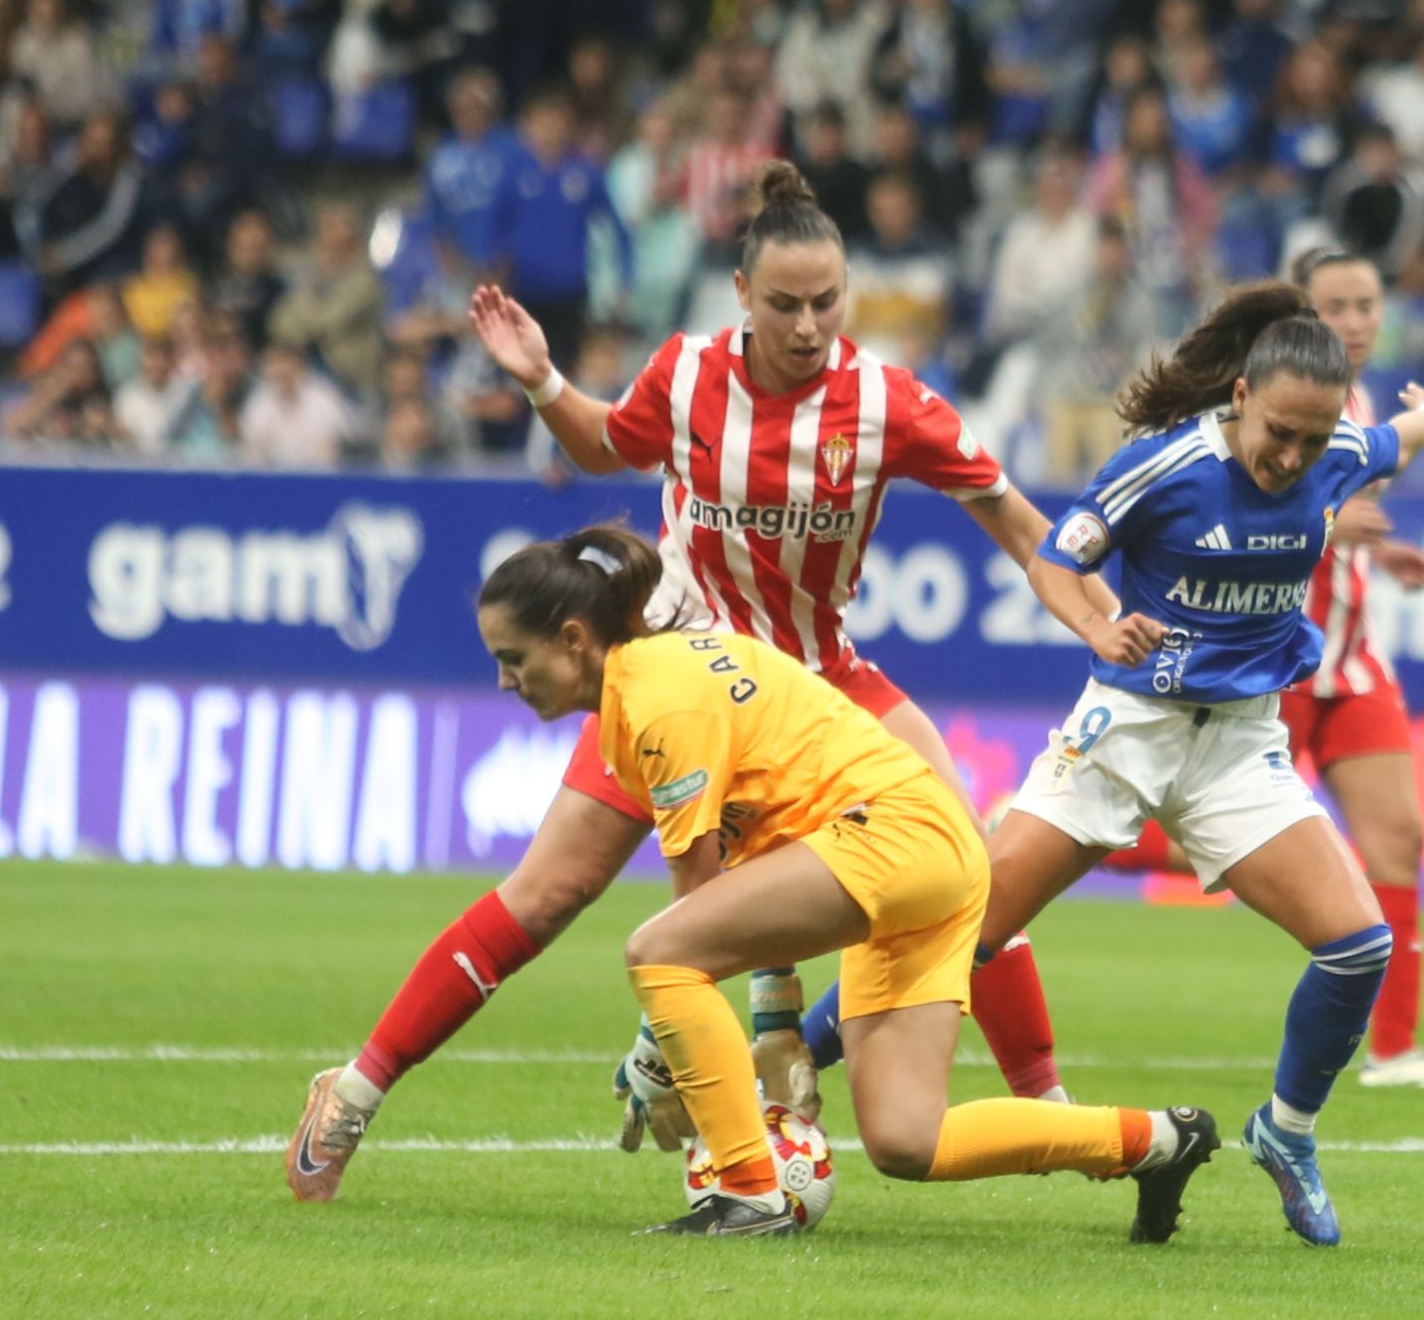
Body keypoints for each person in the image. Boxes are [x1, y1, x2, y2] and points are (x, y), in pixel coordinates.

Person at [285, 162, 1091, 1201]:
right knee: (546, 895)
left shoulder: (887, 402)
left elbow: (1016, 518)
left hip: (816, 681)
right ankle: (353, 1091)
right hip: (681, 675)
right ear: (742, 295)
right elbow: (603, 444)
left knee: (967, 861)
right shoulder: (689, 374)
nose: (809, 326)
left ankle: (1045, 1102)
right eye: (787, 304)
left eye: (828, 303)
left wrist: (1090, 612)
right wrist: (541, 380)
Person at [470, 525, 1219, 1238]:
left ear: (573, 640)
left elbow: (697, 914)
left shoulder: (657, 705)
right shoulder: (664, 677)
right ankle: (1158, 1138)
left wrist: (656, 1052)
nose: (505, 680)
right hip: (930, 852)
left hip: (893, 837)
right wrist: (770, 1022)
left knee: (657, 952)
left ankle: (746, 1189)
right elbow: (754, 878)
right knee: (906, 1138)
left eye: (513, 657)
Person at [973, 283, 1424, 1247]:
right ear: (1242, 394)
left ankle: (1286, 1134)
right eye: (1280, 431)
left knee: (1358, 942)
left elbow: (1395, 441)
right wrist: (1095, 622)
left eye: (1313, 438)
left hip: (1242, 744)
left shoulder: (1335, 452)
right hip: (1125, 730)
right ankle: (788, 1062)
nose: (1293, 457)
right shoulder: (1163, 465)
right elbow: (1052, 553)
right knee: (963, 933)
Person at [1284, 249, 1424, 1089]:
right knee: (1193, 849)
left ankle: (1396, 1050)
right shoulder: (1282, 398)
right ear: (1299, 316)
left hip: (1353, 662)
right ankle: (1034, 833)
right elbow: (1259, 508)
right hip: (1281, 660)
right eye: (1336, 305)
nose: (1357, 320)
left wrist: (1380, 548)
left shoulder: (1359, 397)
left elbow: (1340, 506)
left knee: (1398, 839)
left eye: (1368, 303)